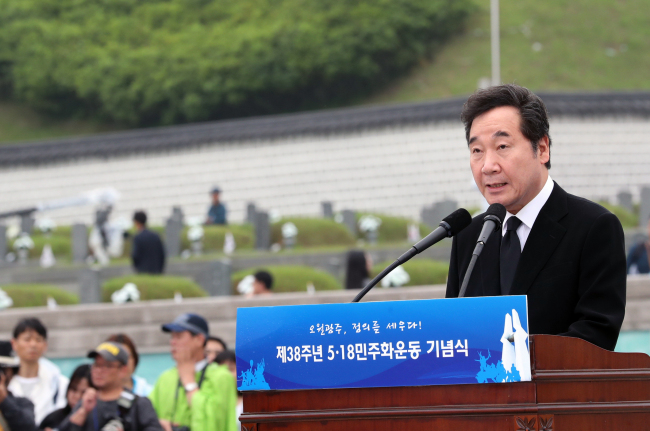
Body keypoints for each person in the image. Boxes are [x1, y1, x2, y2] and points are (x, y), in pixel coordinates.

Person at [446, 84, 626, 351]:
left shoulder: (593, 227)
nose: (488, 166)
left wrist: (511, 355)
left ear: (542, 148)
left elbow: (596, 335)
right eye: (477, 151)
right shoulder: (468, 236)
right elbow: (453, 331)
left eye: (502, 146)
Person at [149, 313, 237, 431]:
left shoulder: (221, 377)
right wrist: (158, 424)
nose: (172, 342)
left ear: (199, 339)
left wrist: (189, 382)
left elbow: (215, 424)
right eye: (172, 337)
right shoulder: (165, 378)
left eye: (179, 336)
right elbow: (146, 418)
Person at [58, 342, 161, 431]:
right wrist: (83, 412)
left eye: (106, 366)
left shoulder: (139, 405)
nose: (99, 371)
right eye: (96, 365)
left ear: (123, 370)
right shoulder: (86, 403)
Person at [8, 318, 69, 424]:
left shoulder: (59, 384)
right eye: (27, 339)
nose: (33, 345)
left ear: (45, 345)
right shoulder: (4, 383)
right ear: (14, 343)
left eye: (38, 340)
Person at [39, 365, 92, 430]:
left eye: (84, 392)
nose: (77, 397)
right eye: (74, 389)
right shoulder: (52, 419)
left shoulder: (97, 420)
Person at [0, 340, 37, 431]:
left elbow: (28, 427)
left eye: (2, 370)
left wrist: (4, 400)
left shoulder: (23, 404)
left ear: (11, 373)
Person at [214, 351, 242, 431]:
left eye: (231, 369)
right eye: (222, 371)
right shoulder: (210, 401)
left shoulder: (249, 402)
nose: (226, 375)